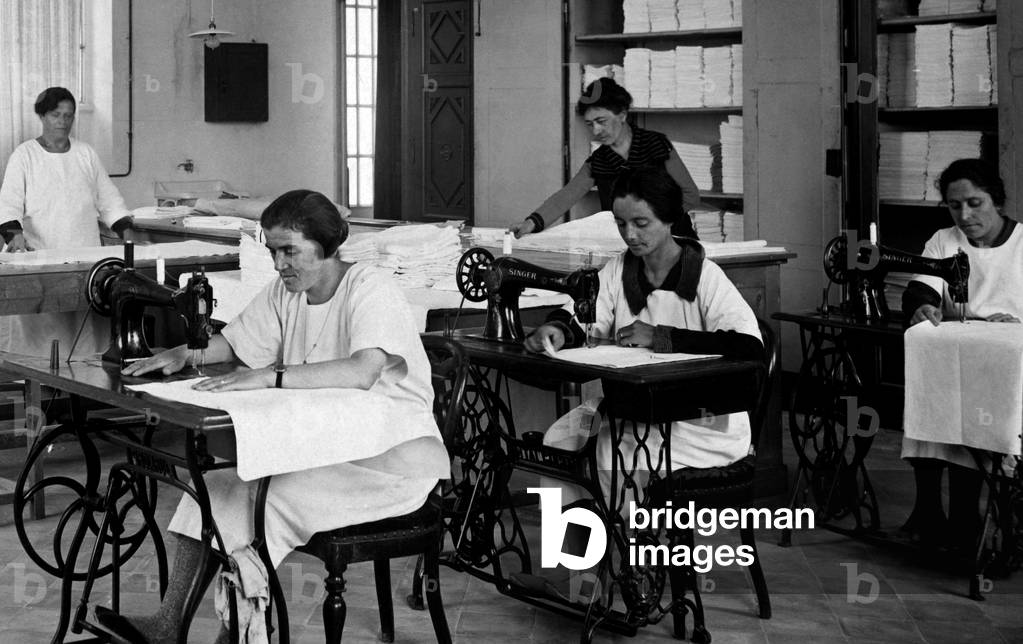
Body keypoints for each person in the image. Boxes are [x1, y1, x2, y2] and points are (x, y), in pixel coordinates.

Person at [99, 190, 450, 644]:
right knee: (216, 484)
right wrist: (185, 353)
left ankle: (239, 638)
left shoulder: (370, 289)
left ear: (326, 247)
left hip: (390, 464)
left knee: (266, 499)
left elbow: (363, 371)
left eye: (290, 251)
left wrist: (271, 376)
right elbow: (240, 341)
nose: (280, 263)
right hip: (332, 449)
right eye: (273, 251)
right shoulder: (287, 292)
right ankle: (169, 625)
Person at [525, 165, 762, 493]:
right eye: (620, 223)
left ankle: (622, 540)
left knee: (610, 454)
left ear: (668, 220)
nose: (629, 235)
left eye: (640, 223)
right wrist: (559, 331)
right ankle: (571, 544)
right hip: (635, 410)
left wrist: (660, 336)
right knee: (559, 442)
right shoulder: (619, 270)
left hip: (703, 424)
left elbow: (749, 345)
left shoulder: (705, 276)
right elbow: (585, 317)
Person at [901, 158, 1022, 550]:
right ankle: (930, 510)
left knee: (972, 416)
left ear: (997, 201)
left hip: (1012, 368)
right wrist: (922, 306)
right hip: (956, 359)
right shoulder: (944, 240)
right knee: (929, 403)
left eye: (975, 203)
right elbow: (922, 286)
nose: (965, 215)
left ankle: (968, 518)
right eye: (955, 206)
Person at [0, 86, 134, 356]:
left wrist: (126, 231)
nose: (62, 121)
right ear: (42, 116)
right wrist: (14, 235)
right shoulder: (25, 155)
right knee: (42, 327)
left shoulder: (86, 154)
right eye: (55, 114)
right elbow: (8, 203)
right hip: (42, 255)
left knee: (83, 324)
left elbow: (108, 199)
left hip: (84, 254)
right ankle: (41, 383)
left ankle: (85, 382)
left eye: (68, 115)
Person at [508, 78, 701, 238]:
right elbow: (565, 197)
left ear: (623, 115)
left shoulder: (655, 144)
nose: (596, 131)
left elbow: (691, 194)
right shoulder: (599, 160)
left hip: (674, 240)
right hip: (629, 244)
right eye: (590, 124)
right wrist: (531, 223)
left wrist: (657, 221)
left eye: (601, 121)